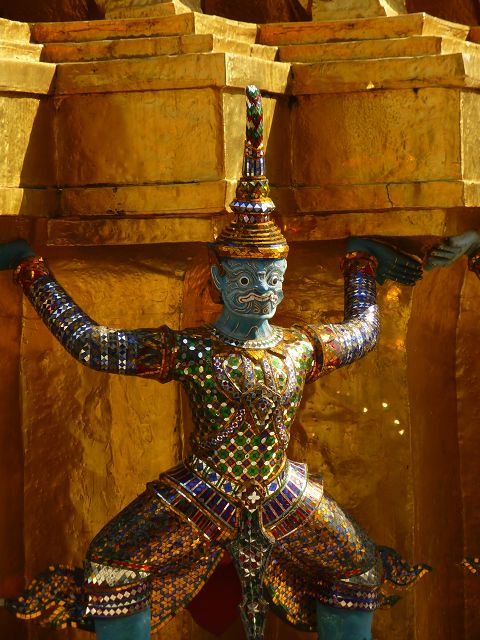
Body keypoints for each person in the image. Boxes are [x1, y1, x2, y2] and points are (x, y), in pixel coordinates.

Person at [0, 86, 429, 640]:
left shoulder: (299, 347)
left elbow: (364, 332)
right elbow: (92, 344)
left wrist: (360, 264)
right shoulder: (190, 350)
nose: (262, 292)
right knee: (111, 568)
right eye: (246, 278)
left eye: (272, 280)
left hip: (280, 492)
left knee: (358, 570)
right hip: (203, 491)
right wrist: (31, 271)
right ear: (219, 278)